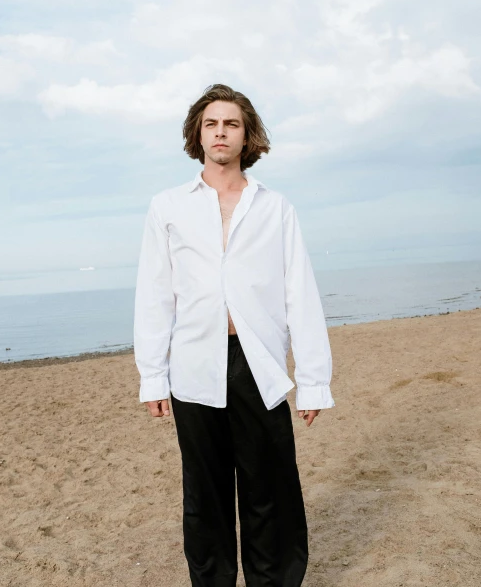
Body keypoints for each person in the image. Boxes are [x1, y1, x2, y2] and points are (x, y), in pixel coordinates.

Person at [133, 83, 335, 587]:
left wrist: (312, 381)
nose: (220, 132)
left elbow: (300, 295)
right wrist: (152, 377)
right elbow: (156, 295)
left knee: (270, 489)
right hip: (194, 366)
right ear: (197, 134)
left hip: (258, 364)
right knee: (205, 493)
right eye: (211, 123)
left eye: (232, 124)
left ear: (248, 137)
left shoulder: (275, 207)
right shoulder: (167, 206)